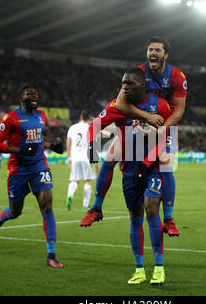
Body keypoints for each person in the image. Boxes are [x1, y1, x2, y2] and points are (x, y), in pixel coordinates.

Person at [80, 37, 187, 237]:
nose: (153, 53)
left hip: (165, 123)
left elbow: (179, 110)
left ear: (166, 55)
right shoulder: (136, 74)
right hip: (135, 122)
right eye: (150, 50)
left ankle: (169, 219)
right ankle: (96, 208)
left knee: (166, 162)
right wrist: (92, 145)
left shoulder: (176, 77)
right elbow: (120, 104)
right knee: (110, 157)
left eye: (157, 50)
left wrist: (163, 128)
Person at [87, 68, 172, 285]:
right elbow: (95, 126)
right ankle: (139, 269)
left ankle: (160, 269)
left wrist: (146, 164)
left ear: (142, 85)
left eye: (129, 83)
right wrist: (92, 144)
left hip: (151, 166)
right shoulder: (117, 107)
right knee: (135, 219)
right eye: (123, 82)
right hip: (129, 168)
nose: (124, 86)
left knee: (152, 209)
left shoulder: (160, 105)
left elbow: (164, 139)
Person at [0, 86, 64, 268]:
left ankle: (51, 255)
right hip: (18, 170)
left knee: (47, 204)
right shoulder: (11, 118)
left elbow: (36, 140)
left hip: (39, 166)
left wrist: (51, 146)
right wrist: (19, 150)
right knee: (15, 212)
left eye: (36, 95)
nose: (34, 98)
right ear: (22, 98)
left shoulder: (42, 116)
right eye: (30, 95)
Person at [66, 110, 96, 211]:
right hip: (86, 158)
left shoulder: (72, 127)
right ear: (89, 118)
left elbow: (69, 142)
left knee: (75, 180)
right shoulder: (90, 128)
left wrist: (69, 157)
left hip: (75, 157)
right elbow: (93, 145)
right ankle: (85, 205)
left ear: (80, 118)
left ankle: (70, 195)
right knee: (88, 181)